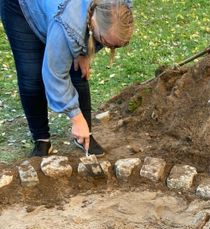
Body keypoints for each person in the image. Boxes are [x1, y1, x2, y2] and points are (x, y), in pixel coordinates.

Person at [0, 0, 134, 157]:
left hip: (64, 12)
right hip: (22, 8)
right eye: (105, 42)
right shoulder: (68, 24)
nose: (110, 48)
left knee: (77, 71)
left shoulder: (117, 7)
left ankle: (84, 137)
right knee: (32, 77)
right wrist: (76, 119)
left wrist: (85, 53)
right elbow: (55, 75)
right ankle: (41, 139)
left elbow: (103, 33)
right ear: (93, 22)